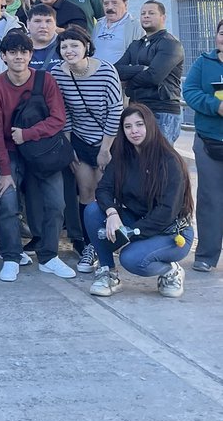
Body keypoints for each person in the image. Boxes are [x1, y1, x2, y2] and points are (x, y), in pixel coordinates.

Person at [0, 30, 76, 282]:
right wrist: (4, 171)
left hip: (43, 150)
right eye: (12, 52)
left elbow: (58, 118)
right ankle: (11, 255)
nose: (19, 57)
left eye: (24, 52)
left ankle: (48, 256)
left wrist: (27, 133)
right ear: (3, 56)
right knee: (7, 203)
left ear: (30, 54)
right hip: (11, 152)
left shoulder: (45, 80)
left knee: (56, 204)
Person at [85, 104, 194, 299]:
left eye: (139, 124)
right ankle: (108, 272)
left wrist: (130, 234)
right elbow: (103, 189)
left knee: (131, 259)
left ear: (150, 125)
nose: (134, 131)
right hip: (138, 220)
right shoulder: (121, 157)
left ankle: (170, 271)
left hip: (171, 231)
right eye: (127, 126)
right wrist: (112, 213)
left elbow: (166, 212)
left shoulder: (169, 161)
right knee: (93, 211)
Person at [53, 26, 124, 273]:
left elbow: (115, 110)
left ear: (86, 46)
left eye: (74, 45)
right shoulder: (57, 73)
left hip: (109, 138)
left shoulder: (105, 70)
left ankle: (105, 244)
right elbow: (64, 113)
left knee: (103, 193)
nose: (69, 50)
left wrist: (106, 148)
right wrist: (69, 145)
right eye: (64, 46)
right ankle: (89, 245)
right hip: (79, 139)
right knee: (85, 191)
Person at [183, 20, 223, 272]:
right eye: (222, 33)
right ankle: (207, 255)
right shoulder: (203, 63)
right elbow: (190, 91)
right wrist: (215, 105)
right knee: (210, 199)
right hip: (209, 142)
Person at [115, 1, 185, 143]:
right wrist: (140, 69)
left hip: (162, 111)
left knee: (158, 160)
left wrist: (129, 81)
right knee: (138, 160)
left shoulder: (170, 44)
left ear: (163, 18)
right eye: (143, 13)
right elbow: (116, 70)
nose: (146, 16)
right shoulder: (136, 44)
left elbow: (153, 77)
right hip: (137, 109)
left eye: (151, 13)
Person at [92, 0, 141, 65]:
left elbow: (139, 56)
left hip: (120, 75)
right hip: (96, 75)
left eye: (115, 3)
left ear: (125, 4)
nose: (110, 7)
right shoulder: (99, 25)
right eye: (106, 4)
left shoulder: (135, 26)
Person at [27, 5, 62, 72]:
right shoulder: (18, 47)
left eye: (48, 21)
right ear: (28, 24)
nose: (43, 26)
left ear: (55, 24)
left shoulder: (65, 46)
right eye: (37, 21)